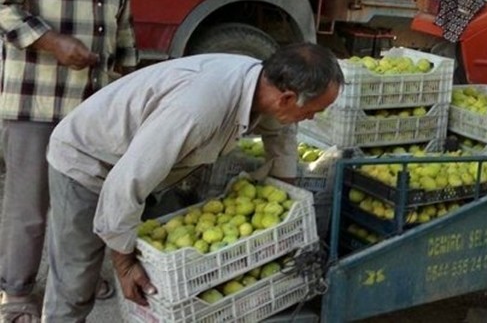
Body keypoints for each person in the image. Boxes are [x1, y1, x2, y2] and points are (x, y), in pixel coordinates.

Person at [41, 44, 344, 320]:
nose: (312, 119)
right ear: (287, 97)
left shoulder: (262, 86)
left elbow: (281, 134)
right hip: (87, 159)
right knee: (76, 279)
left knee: (134, 249)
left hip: (135, 161)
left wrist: (284, 200)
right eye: (312, 112)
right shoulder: (199, 110)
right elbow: (126, 182)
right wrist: (124, 264)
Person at [0, 0, 137, 322]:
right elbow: (3, 6)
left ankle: (75, 279)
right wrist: (53, 42)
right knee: (30, 205)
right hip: (37, 102)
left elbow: (123, 33)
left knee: (82, 204)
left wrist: (127, 88)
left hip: (92, 111)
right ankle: (17, 293)